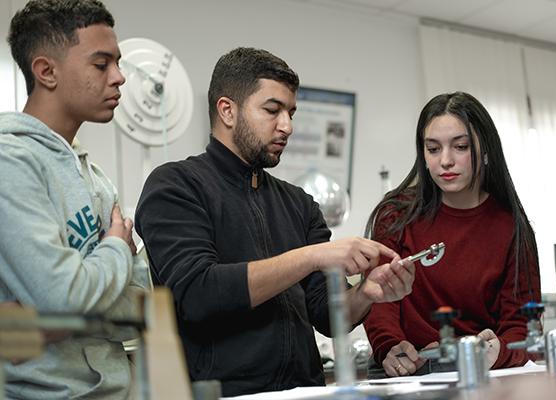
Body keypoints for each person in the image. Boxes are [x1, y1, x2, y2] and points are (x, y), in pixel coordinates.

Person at [134, 47, 416, 397]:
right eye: (272, 110)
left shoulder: (298, 204)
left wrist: (365, 293)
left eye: (291, 112)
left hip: (305, 391)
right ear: (227, 111)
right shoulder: (175, 186)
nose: (288, 126)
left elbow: (328, 316)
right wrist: (311, 257)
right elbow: (197, 294)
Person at [0, 0, 149, 398]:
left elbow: (142, 305)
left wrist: (64, 316)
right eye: (102, 64)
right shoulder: (10, 162)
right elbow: (62, 296)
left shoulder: (97, 179)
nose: (119, 77)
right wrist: (116, 247)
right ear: (46, 71)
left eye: (117, 63)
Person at [363, 91, 541, 378]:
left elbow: (522, 327)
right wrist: (389, 346)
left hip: (485, 376)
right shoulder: (395, 215)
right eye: (433, 149)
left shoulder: (511, 228)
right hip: (410, 375)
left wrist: (498, 350)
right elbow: (379, 298)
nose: (445, 161)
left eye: (460, 146)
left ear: (485, 151)